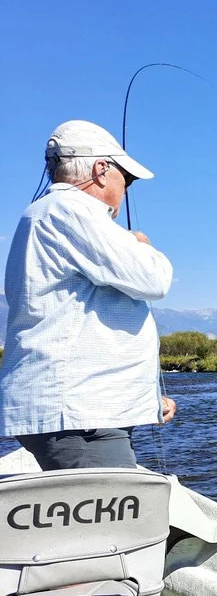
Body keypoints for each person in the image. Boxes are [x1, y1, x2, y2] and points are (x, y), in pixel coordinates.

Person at [0, 120, 176, 470]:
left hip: (80, 413)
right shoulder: (71, 211)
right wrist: (139, 244)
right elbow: (154, 279)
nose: (125, 192)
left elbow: (84, 320)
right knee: (115, 524)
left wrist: (146, 398)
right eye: (125, 180)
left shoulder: (48, 214)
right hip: (78, 418)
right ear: (100, 170)